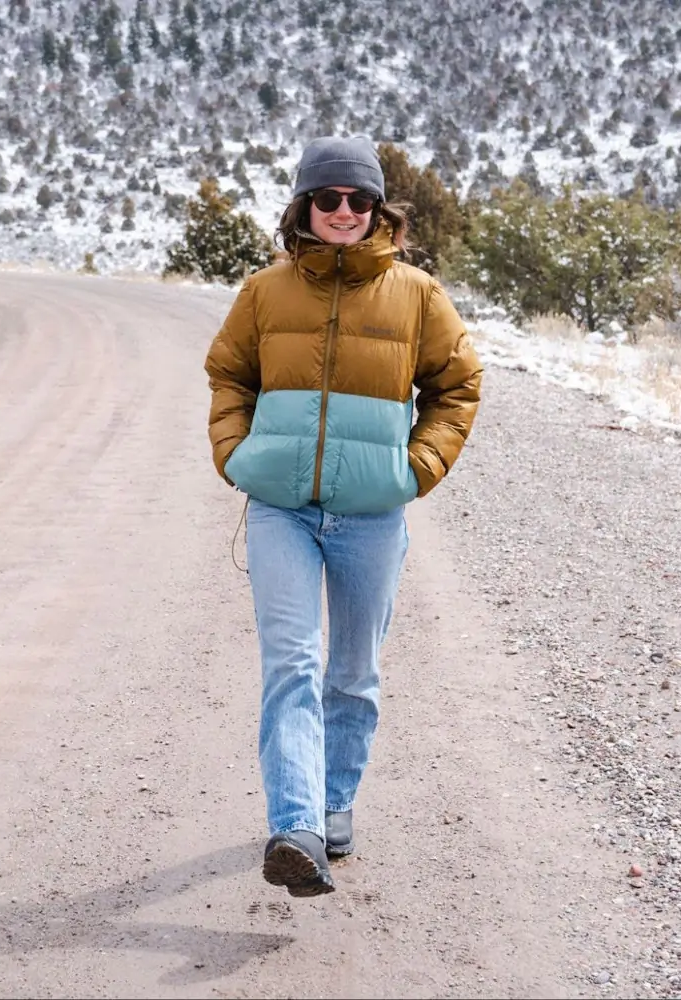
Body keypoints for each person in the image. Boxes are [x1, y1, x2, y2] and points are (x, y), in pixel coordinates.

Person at [203, 136, 482, 897]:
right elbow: (229, 372)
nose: (344, 212)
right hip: (282, 510)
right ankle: (295, 826)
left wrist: (416, 468)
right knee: (291, 665)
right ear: (304, 206)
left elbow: (458, 387)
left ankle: (333, 803)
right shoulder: (265, 292)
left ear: (378, 209)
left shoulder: (418, 295)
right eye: (329, 199)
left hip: (371, 516)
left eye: (360, 200)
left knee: (352, 674)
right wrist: (236, 452)